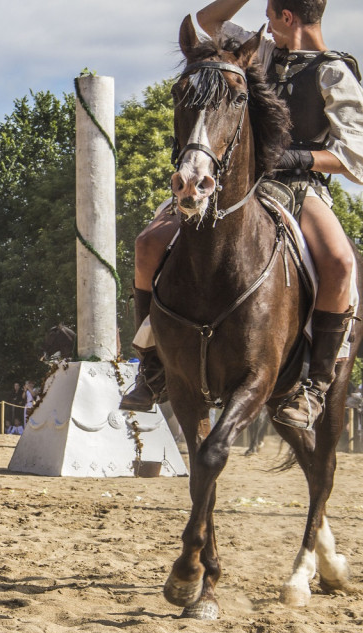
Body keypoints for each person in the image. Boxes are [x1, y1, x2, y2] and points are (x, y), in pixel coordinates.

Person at [121, 0, 363, 431]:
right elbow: (206, 23)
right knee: (148, 244)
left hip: (298, 188)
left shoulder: (334, 71)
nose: (263, 24)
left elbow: (354, 158)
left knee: (341, 263)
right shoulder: (259, 51)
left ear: (287, 16)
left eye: (269, 14)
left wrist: (291, 157)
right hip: (231, 184)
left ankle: (316, 385)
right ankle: (152, 365)